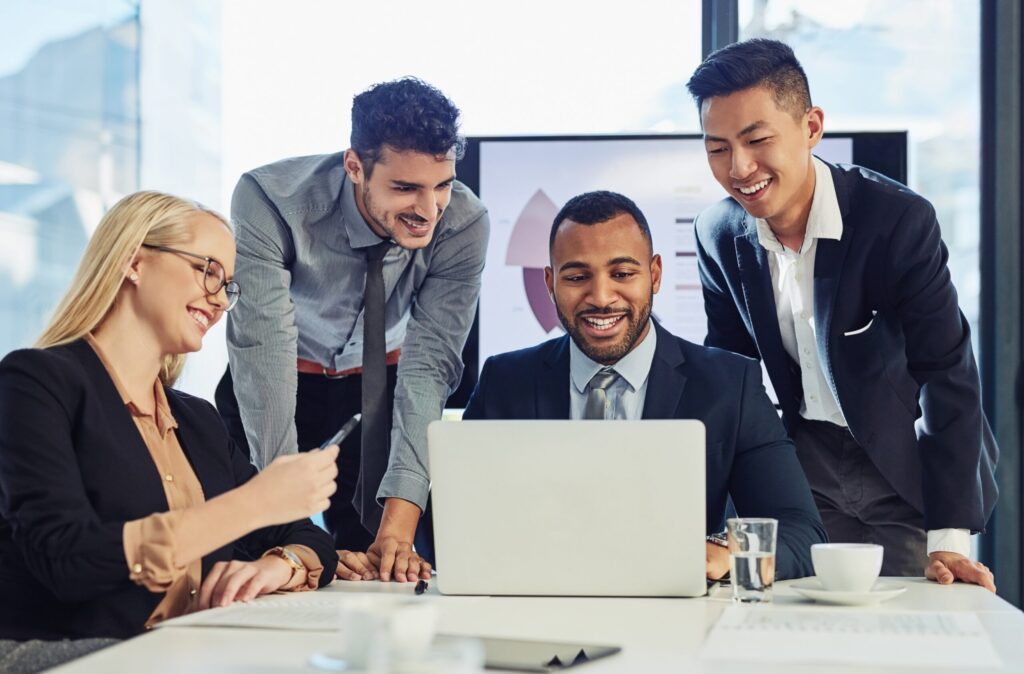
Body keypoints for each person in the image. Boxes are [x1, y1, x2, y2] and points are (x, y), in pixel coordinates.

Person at [687, 38, 998, 588]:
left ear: (811, 127)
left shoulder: (898, 222)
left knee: (909, 634)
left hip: (904, 464)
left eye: (757, 140)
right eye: (717, 148)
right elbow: (730, 379)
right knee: (788, 631)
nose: (739, 168)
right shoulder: (717, 233)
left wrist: (949, 538)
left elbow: (946, 374)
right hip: (802, 466)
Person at [0, 192, 340, 667]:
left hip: (185, 650)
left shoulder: (196, 420)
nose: (220, 299)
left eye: (228, 286)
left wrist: (278, 564)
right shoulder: (34, 382)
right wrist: (253, 504)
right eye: (209, 270)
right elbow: (66, 561)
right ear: (134, 262)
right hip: (73, 655)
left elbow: (305, 533)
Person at [462, 190, 826, 581]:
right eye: (577, 277)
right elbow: (449, 523)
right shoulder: (504, 381)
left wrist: (725, 555)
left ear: (654, 275)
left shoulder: (729, 384)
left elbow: (801, 534)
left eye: (622, 274)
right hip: (536, 611)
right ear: (550, 283)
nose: (601, 297)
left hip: (677, 623)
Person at [215, 78, 489, 583]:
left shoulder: (465, 223)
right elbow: (265, 350)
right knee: (257, 556)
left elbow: (429, 364)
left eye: (442, 185)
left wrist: (399, 529)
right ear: (355, 167)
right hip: (277, 382)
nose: (428, 210)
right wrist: (293, 537)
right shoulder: (270, 200)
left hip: (376, 387)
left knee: (375, 564)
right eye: (405, 188)